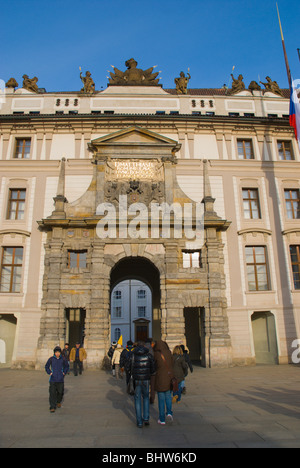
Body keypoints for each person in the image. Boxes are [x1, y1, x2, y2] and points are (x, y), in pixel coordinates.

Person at [130, 341, 156, 428]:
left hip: (137, 379)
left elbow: (129, 367)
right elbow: (153, 368)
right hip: (146, 380)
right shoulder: (148, 355)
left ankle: (139, 422)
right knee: (146, 398)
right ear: (144, 346)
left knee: (137, 400)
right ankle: (146, 418)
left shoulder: (133, 355)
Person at [153, 340, 174, 425]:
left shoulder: (156, 354)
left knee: (161, 400)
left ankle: (162, 419)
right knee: (168, 396)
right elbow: (172, 363)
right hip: (169, 378)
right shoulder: (169, 353)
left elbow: (154, 366)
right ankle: (169, 413)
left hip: (160, 379)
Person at [45, 346, 69, 413]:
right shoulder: (51, 359)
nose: (57, 353)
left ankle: (58, 401)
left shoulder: (63, 359)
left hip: (60, 379)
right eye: (56, 352)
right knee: (52, 393)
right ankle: (52, 406)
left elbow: (67, 366)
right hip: (53, 379)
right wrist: (50, 373)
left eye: (58, 352)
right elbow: (46, 366)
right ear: (54, 353)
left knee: (60, 392)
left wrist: (64, 372)